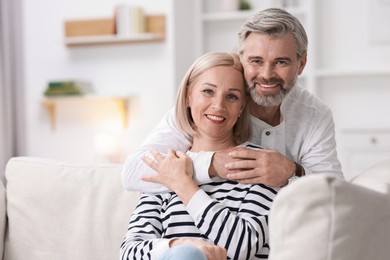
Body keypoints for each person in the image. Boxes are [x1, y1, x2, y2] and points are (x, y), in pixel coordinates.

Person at [121, 7, 342, 193]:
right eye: (256, 60)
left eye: (281, 62)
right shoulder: (210, 108)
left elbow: (335, 192)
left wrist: (292, 171)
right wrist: (214, 163)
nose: (266, 74)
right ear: (241, 57)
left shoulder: (314, 115)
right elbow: (133, 172)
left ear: (301, 64)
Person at [120, 52, 278, 259]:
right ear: (188, 96)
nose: (218, 105)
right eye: (208, 91)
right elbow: (129, 252)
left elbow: (241, 245)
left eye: (231, 96)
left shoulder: (260, 164)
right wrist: (179, 244)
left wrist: (183, 184)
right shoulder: (168, 165)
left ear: (242, 106)